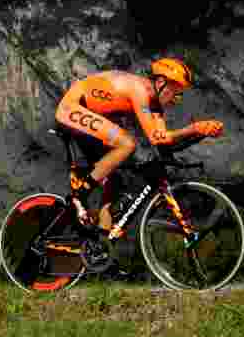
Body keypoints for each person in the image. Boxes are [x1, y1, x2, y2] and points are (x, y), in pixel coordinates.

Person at [55, 58, 224, 231]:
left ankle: (100, 238)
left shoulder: (155, 105)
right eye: (176, 92)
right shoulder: (140, 91)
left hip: (94, 115)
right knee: (126, 144)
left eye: (180, 95)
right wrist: (193, 128)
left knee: (116, 178)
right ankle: (78, 196)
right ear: (160, 83)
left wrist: (201, 133)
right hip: (72, 107)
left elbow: (163, 140)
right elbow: (155, 138)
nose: (176, 99)